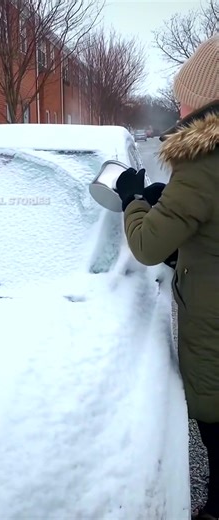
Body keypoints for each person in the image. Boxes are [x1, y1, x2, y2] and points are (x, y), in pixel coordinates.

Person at [114, 34, 219, 520]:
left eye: (184, 95)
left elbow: (145, 246)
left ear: (205, 96)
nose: (179, 105)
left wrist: (134, 200)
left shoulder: (202, 161)